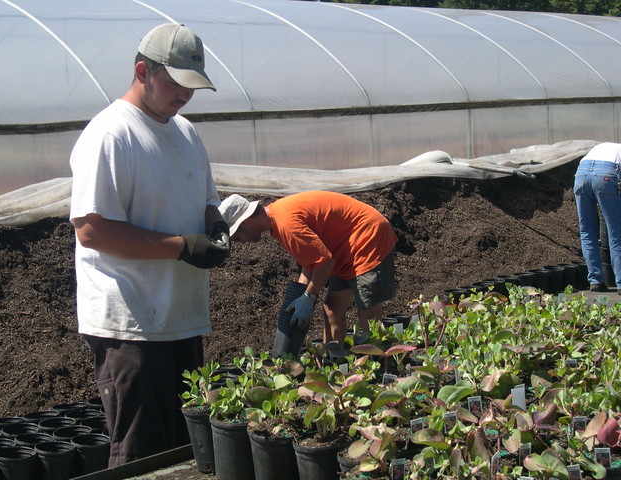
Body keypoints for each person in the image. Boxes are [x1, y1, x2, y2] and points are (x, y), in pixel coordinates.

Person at [69, 23, 230, 466]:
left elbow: (207, 199)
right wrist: (181, 246)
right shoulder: (111, 135)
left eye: (192, 87)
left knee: (186, 449)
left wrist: (216, 228)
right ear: (142, 71)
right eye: (176, 84)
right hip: (130, 325)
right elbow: (93, 230)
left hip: (181, 317)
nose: (185, 96)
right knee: (141, 453)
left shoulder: (185, 132)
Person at [219, 191, 398, 344]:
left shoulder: (286, 225)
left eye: (237, 237)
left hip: (368, 237)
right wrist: (299, 297)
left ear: (245, 222)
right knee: (332, 308)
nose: (241, 242)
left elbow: (325, 263)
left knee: (368, 310)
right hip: (344, 247)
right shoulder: (278, 222)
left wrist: (309, 296)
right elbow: (310, 264)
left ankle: (379, 362)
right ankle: (334, 360)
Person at [574, 142, 621, 293]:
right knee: (615, 230)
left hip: (581, 174)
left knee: (586, 229)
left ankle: (595, 280)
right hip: (605, 174)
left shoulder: (608, 147)